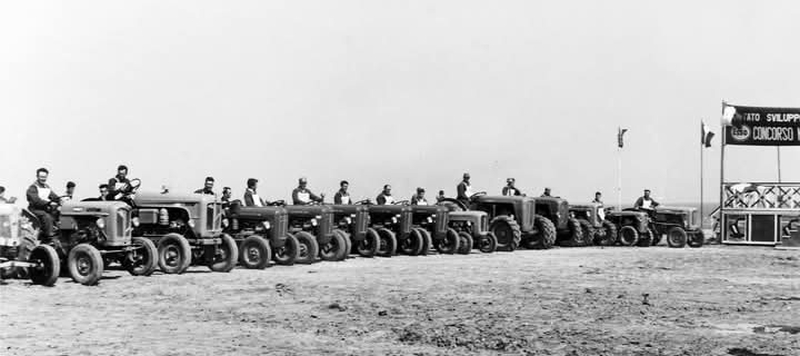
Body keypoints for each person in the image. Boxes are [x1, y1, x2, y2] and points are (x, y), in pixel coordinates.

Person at [26, 168, 60, 239]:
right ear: (37, 176)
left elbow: (54, 196)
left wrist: (60, 200)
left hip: (45, 208)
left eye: (44, 177)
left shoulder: (47, 187)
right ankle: (48, 234)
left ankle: (59, 231)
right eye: (41, 177)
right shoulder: (33, 187)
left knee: (58, 212)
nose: (43, 179)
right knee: (46, 216)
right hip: (35, 209)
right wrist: (48, 203)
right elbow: (36, 200)